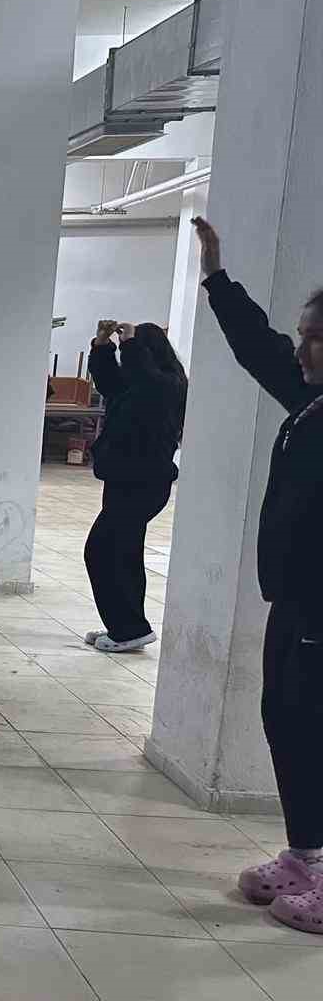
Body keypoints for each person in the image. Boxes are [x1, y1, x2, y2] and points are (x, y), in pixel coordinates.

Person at [192, 217, 323, 936]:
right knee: (286, 718)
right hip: (296, 600)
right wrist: (217, 278)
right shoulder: (311, 400)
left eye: (316, 338)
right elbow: (260, 349)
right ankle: (305, 854)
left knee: (314, 725)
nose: (301, 348)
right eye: (304, 334)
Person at [83, 318, 187, 653]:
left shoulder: (166, 386)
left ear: (146, 353)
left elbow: (146, 381)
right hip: (124, 479)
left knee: (101, 550)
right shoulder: (135, 386)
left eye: (135, 349)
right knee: (123, 553)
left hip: (144, 483)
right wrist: (102, 345)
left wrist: (128, 343)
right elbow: (108, 381)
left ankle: (128, 628)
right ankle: (126, 626)